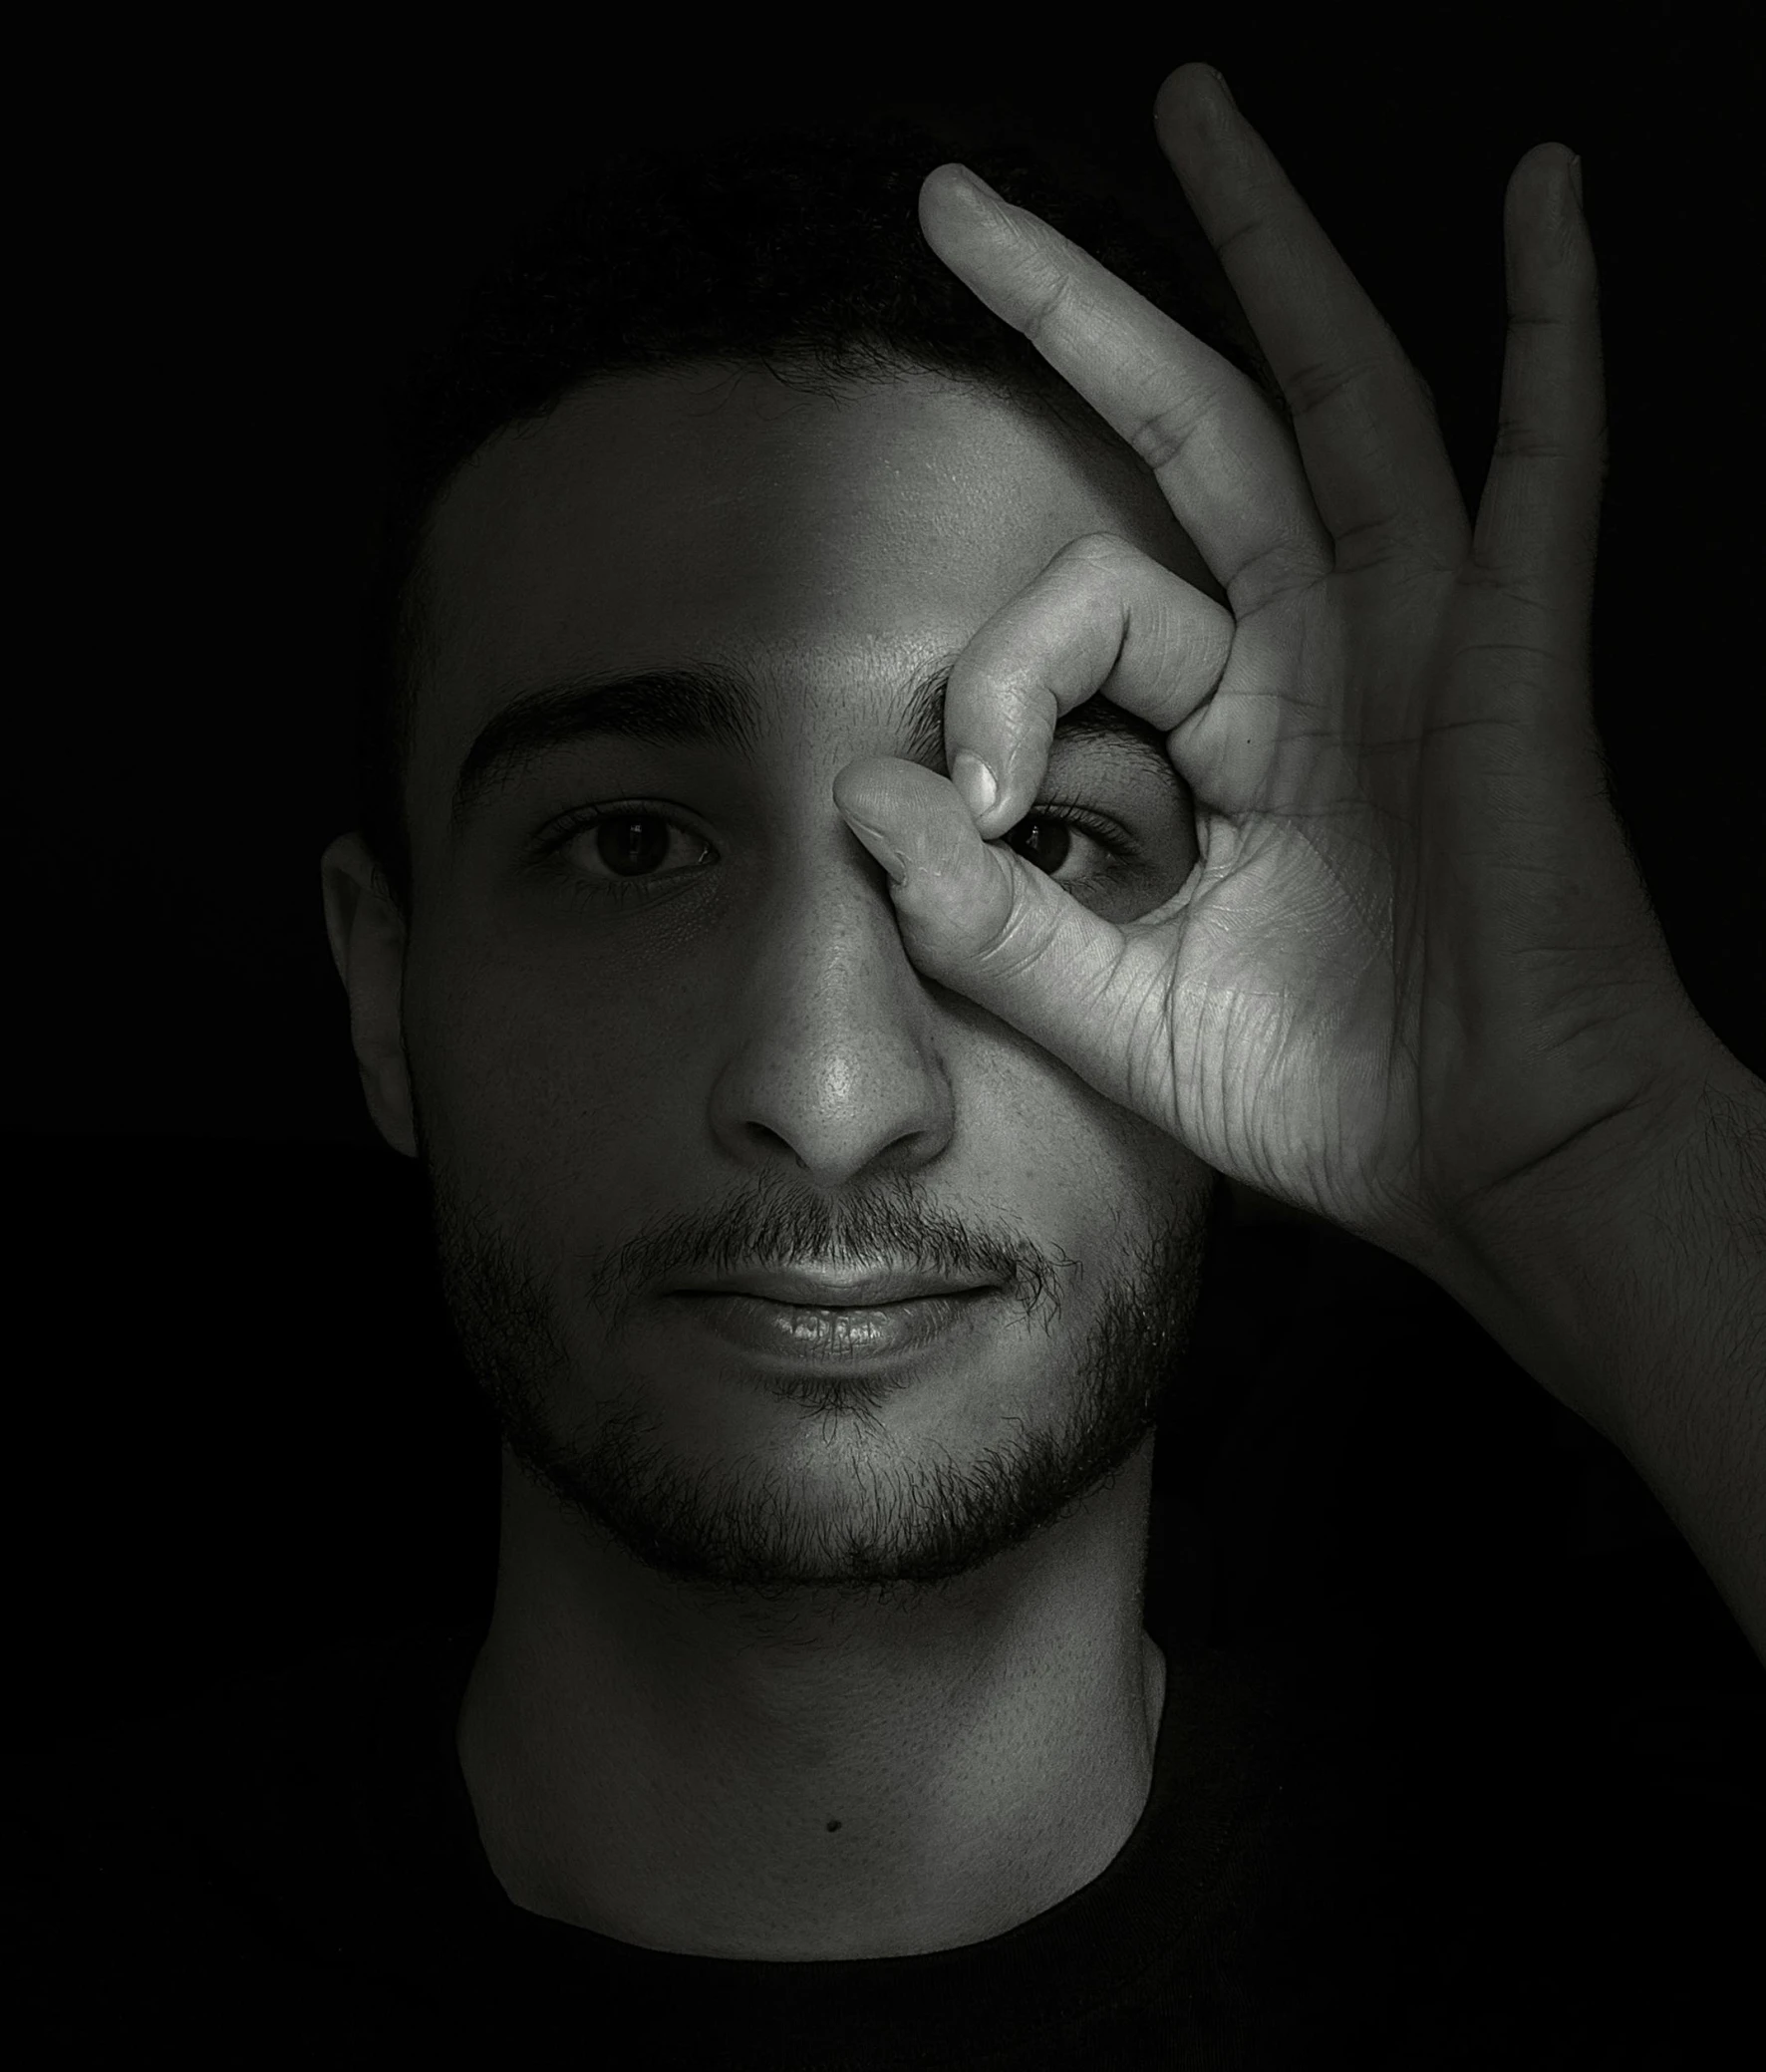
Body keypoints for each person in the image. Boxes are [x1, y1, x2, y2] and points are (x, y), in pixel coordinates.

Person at [24, 64, 1763, 2063]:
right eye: (633, 842)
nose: (833, 1093)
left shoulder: (1641, 1940)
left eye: (1032, 840)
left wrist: (1606, 1147)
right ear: (381, 992)